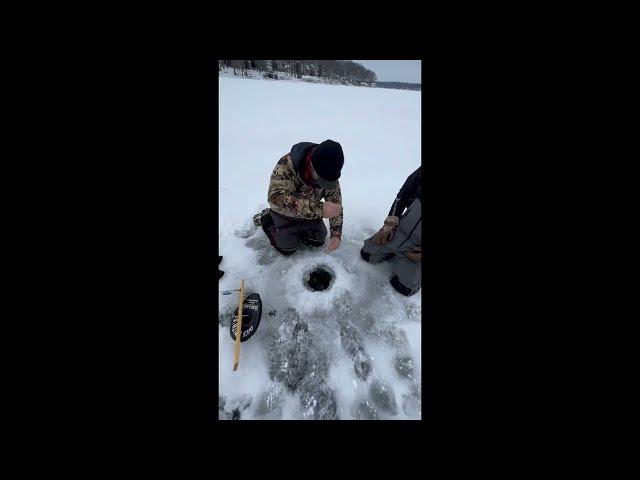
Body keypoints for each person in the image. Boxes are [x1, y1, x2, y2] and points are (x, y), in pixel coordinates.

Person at [254, 140, 344, 256]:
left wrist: (336, 234)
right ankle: (267, 218)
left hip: (309, 214)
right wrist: (319, 210)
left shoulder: (329, 171)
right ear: (311, 164)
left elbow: (335, 204)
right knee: (287, 249)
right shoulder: (286, 165)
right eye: (322, 179)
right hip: (284, 212)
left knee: (318, 240)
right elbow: (276, 199)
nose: (325, 184)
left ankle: (299, 228)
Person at [360, 166, 422, 296]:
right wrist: (389, 225)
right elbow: (403, 194)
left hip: (418, 248)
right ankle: (394, 252)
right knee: (367, 254)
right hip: (400, 230)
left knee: (403, 287)